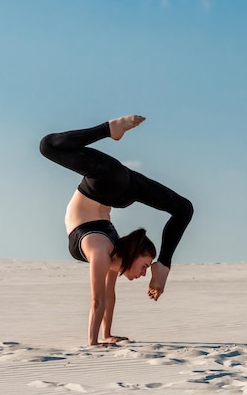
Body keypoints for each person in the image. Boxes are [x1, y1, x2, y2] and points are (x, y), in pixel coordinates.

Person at [39, 115, 193, 346]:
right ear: (131, 254)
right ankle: (108, 129)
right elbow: (98, 300)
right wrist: (94, 341)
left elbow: (105, 297)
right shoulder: (103, 249)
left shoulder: (107, 254)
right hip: (109, 182)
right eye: (145, 267)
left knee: (184, 209)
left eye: (145, 268)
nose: (143, 274)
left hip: (119, 184)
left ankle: (163, 264)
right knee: (48, 145)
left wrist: (105, 336)